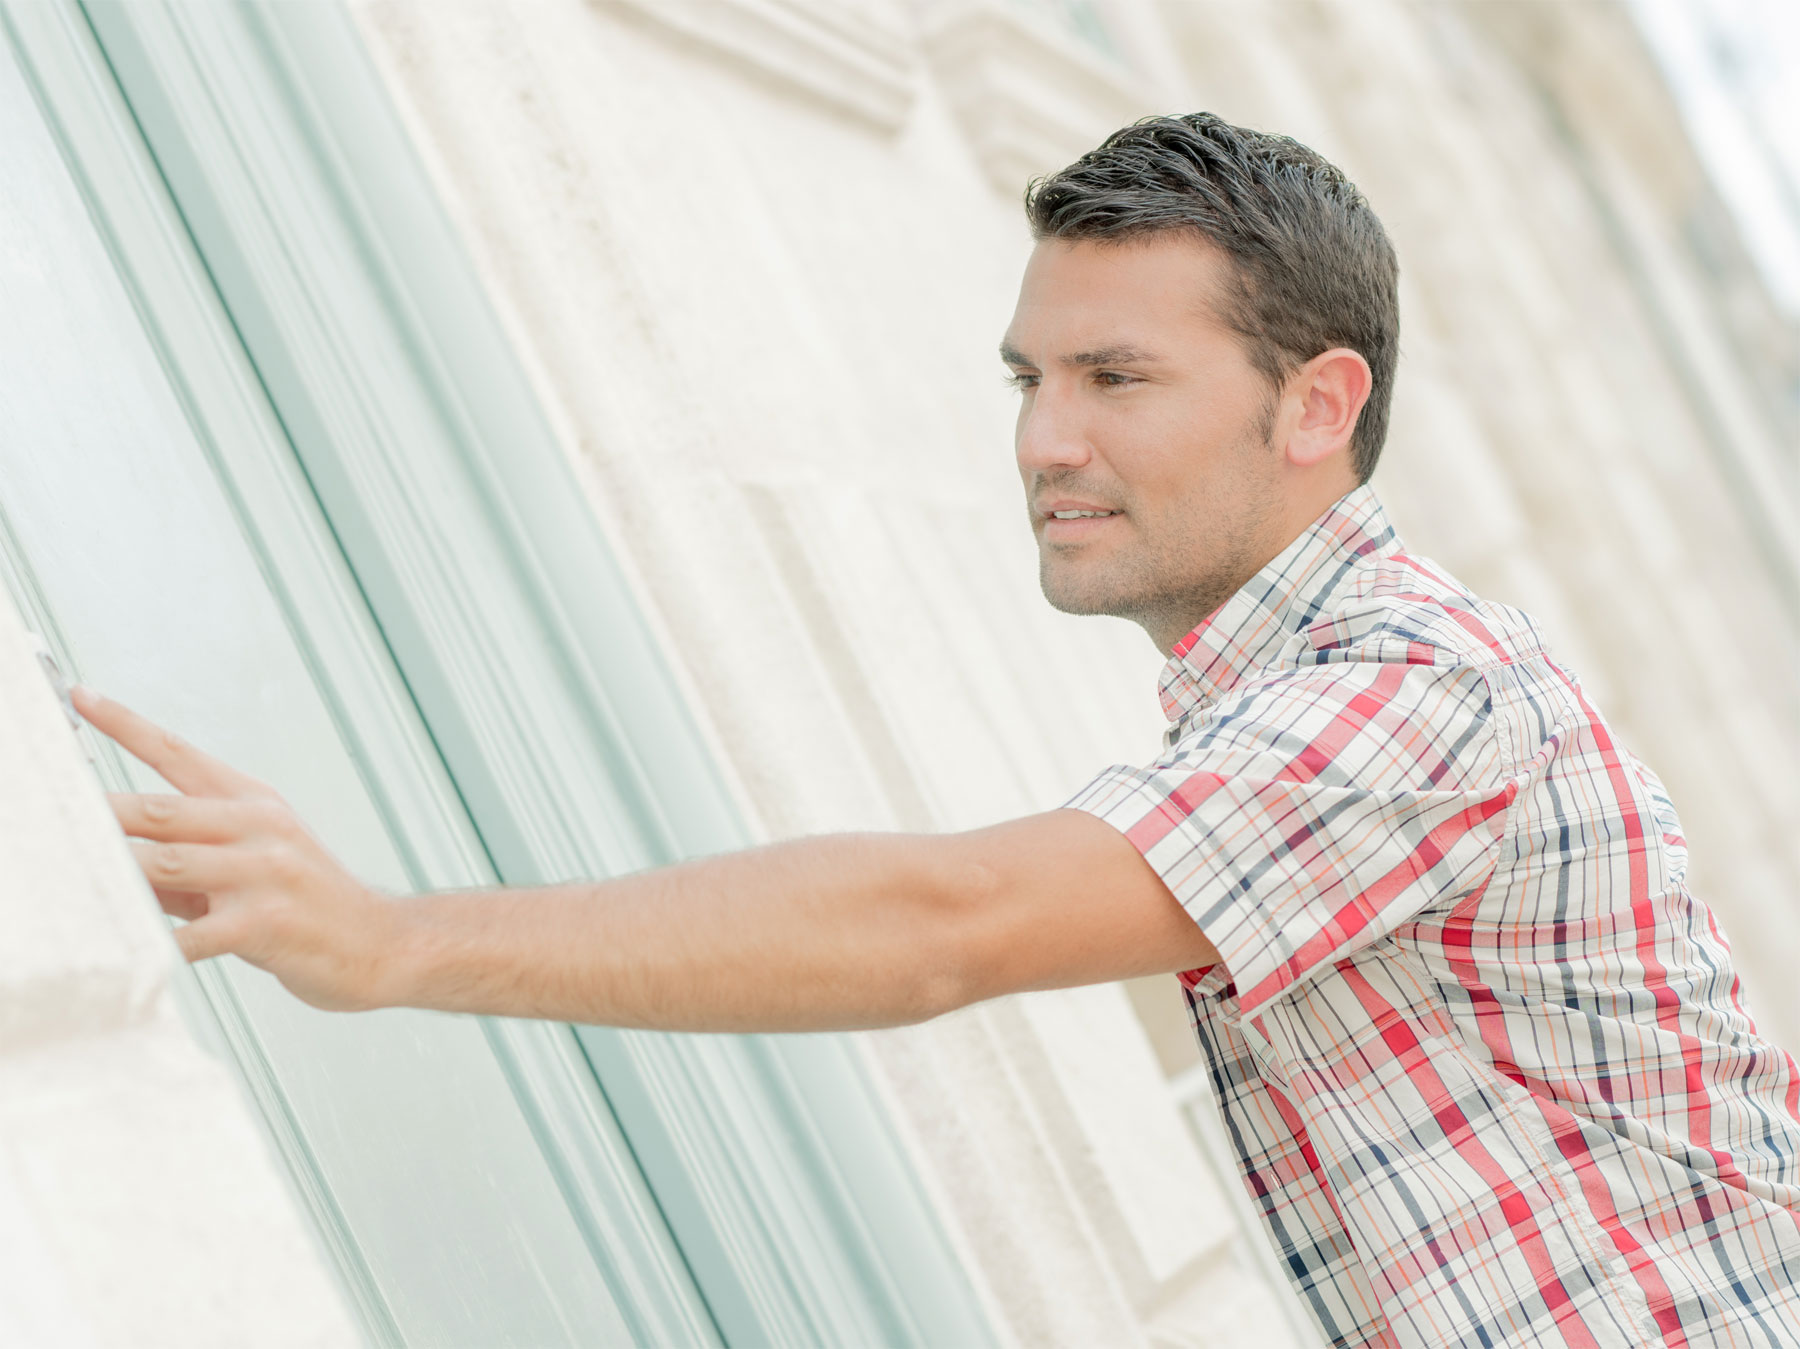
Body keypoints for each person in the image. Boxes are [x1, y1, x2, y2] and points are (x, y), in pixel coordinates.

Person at [72, 113, 1800, 1348]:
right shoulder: (1308, 693)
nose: (1043, 440)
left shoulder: (1412, 698)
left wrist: (385, 939)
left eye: (1114, 379)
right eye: (1026, 379)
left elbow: (942, 923)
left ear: (1317, 403)